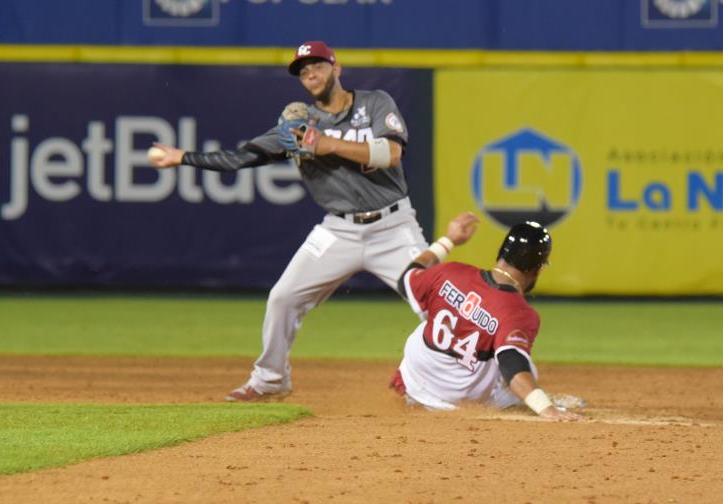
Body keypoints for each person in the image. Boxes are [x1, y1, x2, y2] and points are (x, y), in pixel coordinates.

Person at [149, 40, 428, 401]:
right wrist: (182, 157)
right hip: (338, 230)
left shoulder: (375, 103)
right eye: (303, 71)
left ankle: (463, 381)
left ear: (336, 68)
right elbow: (241, 157)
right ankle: (270, 379)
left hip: (394, 226)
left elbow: (391, 153)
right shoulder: (297, 128)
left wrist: (327, 143)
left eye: (317, 66)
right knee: (283, 298)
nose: (310, 74)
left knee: (436, 304)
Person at [390, 212, 581, 421]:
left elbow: (405, 280)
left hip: (413, 381)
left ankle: (415, 399)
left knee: (426, 329)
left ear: (501, 255)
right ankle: (533, 400)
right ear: (537, 270)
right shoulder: (519, 312)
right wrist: (545, 408)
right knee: (523, 366)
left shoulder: (450, 271)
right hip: (455, 400)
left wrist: (449, 241)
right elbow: (512, 364)